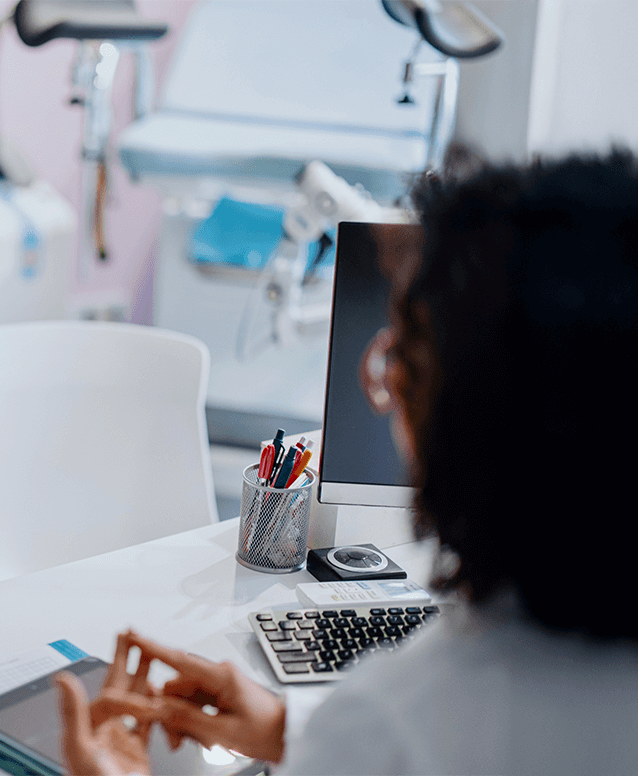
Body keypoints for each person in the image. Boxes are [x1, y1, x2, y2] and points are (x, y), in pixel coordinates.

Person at [55, 149, 638, 775]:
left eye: (405, 359)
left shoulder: (395, 724)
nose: (378, 381)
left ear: (468, 427)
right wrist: (288, 733)